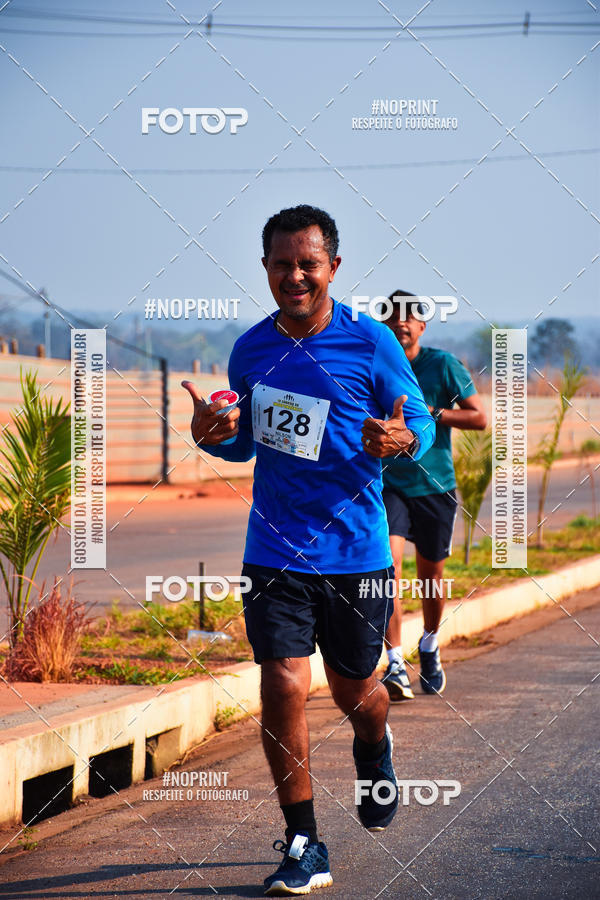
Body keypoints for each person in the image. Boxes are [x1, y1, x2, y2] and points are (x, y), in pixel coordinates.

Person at [182, 207, 434, 896]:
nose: (294, 276)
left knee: (359, 693)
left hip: (356, 553)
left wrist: (403, 439)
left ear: (332, 268)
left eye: (307, 264)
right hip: (275, 551)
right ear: (265, 269)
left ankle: (374, 750)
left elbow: (421, 421)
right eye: (280, 264)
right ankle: (303, 841)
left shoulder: (372, 342)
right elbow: (243, 443)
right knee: (284, 683)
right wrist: (211, 432)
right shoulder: (250, 350)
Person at [379, 291, 487, 703]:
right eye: (392, 319)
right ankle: (393, 661)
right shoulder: (377, 364)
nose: (401, 324)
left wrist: (434, 413)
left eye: (409, 318)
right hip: (388, 485)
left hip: (436, 487)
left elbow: (478, 417)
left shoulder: (442, 365)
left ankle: (428, 643)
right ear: (384, 327)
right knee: (386, 573)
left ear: (422, 326)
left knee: (431, 578)